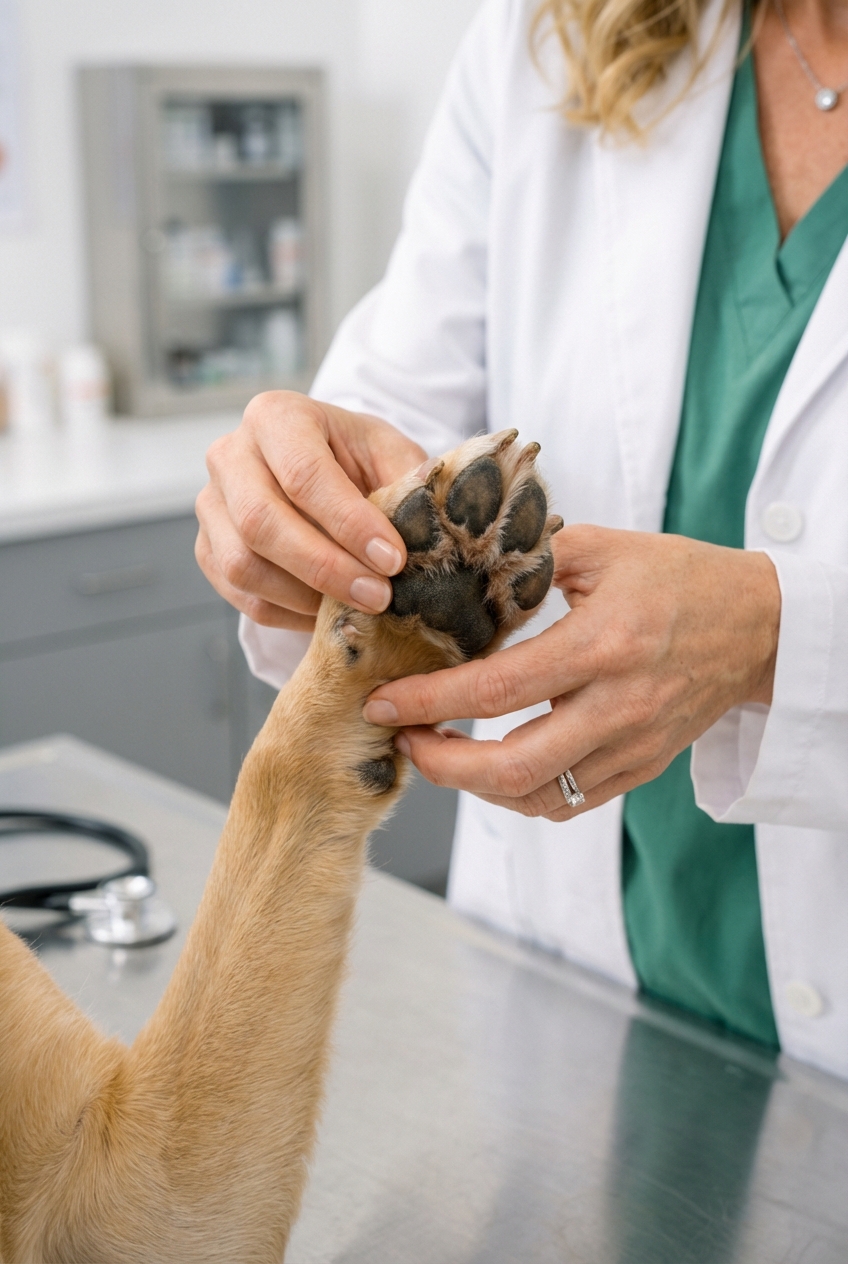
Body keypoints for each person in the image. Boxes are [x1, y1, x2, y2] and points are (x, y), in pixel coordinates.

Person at [196, 0, 848, 1077]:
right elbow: (398, 408)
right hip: (561, 979)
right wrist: (297, 503)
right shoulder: (551, 33)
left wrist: (780, 637)